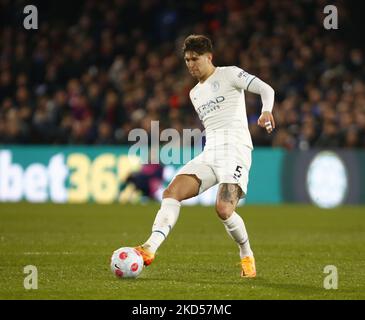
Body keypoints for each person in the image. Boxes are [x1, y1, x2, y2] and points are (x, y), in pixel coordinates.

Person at [135, 34, 275, 277]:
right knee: (172, 192)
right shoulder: (194, 93)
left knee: (223, 209)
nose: (190, 65)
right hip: (210, 153)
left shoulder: (230, 74)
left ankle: (246, 254)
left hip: (235, 150)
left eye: (195, 59)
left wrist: (266, 111)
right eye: (187, 60)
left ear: (209, 57)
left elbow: (266, 88)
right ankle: (150, 248)